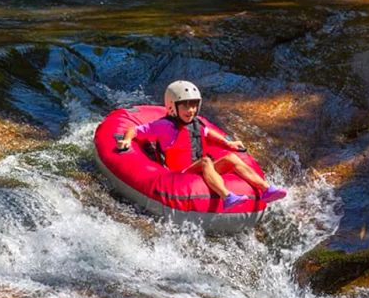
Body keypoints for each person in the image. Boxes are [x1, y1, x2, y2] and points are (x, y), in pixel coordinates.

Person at [117, 80, 287, 209]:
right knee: (206, 161)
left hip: (199, 170)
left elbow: (209, 134)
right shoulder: (164, 126)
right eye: (185, 106)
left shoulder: (196, 123)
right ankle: (227, 197)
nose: (190, 110)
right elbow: (136, 129)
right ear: (172, 106)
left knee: (231, 158)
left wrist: (229, 144)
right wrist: (127, 139)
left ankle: (266, 189)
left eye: (193, 105)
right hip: (180, 175)